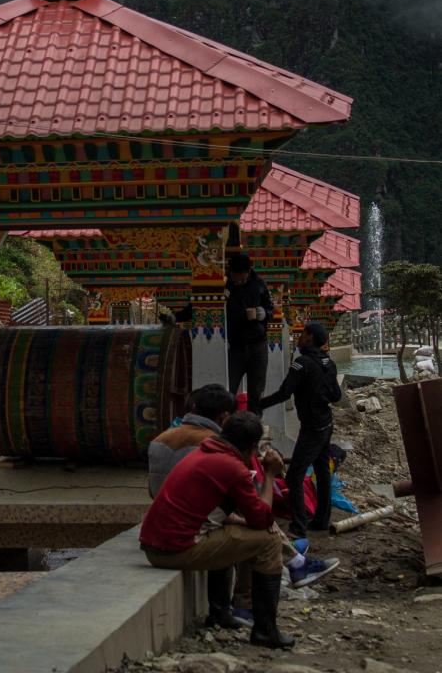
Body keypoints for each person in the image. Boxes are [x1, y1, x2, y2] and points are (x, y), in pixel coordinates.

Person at [140, 411, 295, 650]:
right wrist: (269, 474)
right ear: (251, 447)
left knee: (232, 531)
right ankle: (266, 630)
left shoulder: (206, 451)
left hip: (158, 544)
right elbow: (263, 519)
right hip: (174, 550)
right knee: (269, 541)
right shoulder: (231, 466)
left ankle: (221, 612)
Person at [259, 321, 342, 536]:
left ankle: (298, 526)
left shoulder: (301, 363)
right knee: (322, 471)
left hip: (312, 427)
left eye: (303, 334)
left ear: (311, 337)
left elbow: (285, 393)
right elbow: (336, 396)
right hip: (326, 424)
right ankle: (322, 520)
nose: (300, 337)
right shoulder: (329, 363)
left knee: (294, 475)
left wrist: (258, 405)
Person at [148, 383, 236, 498]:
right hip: (196, 512)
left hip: (160, 507)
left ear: (194, 407)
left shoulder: (158, 440)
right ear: (224, 416)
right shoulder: (217, 444)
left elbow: (151, 490)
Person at [225, 253, 273, 415]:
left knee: (256, 390)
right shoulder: (225, 285)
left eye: (242, 277)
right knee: (228, 389)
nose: (239, 280)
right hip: (235, 346)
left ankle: (253, 426)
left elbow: (270, 308)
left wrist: (264, 313)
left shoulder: (259, 285)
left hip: (258, 344)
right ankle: (228, 424)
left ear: (248, 271)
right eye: (235, 276)